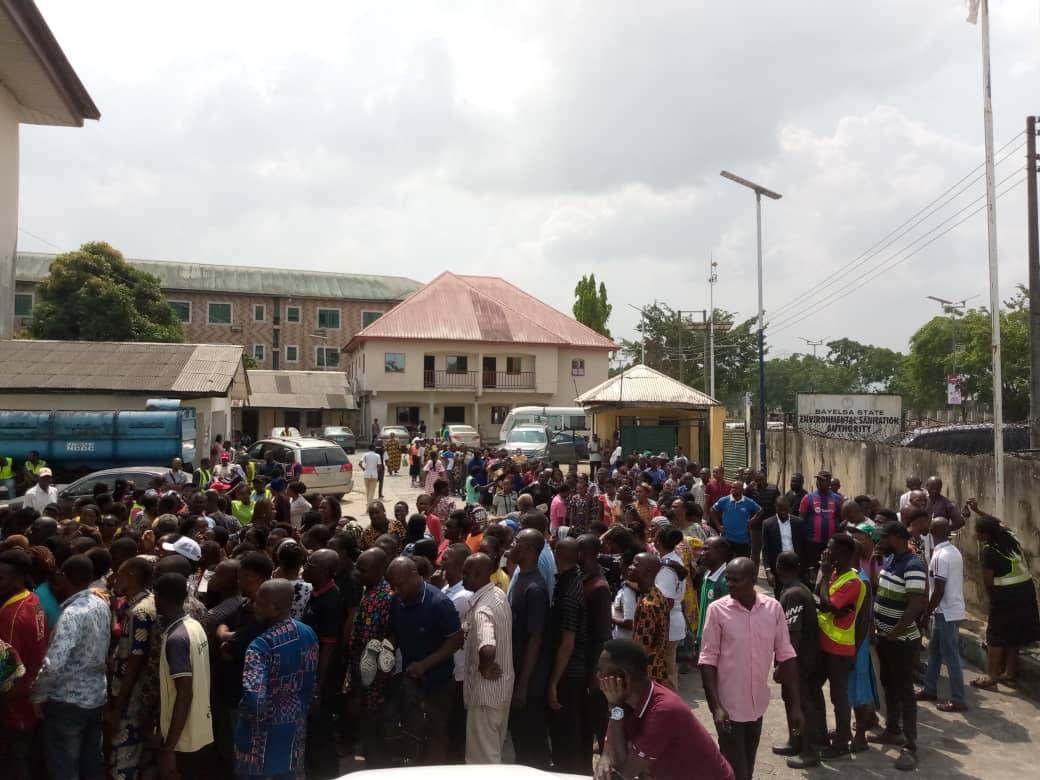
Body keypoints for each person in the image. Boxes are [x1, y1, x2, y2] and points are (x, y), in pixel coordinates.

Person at [699, 557, 803, 780]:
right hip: (729, 708)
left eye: (735, 580)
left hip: (758, 705)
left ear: (753, 581)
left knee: (748, 764)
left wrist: (795, 706)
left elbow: (787, 655)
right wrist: (715, 706)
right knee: (737, 771)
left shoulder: (772, 609)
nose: (729, 585)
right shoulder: (717, 611)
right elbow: (707, 660)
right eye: (728, 579)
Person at [595, 637, 734, 780]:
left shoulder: (664, 710)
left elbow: (625, 772)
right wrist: (605, 756)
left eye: (601, 672)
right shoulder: (626, 698)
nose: (597, 677)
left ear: (623, 677)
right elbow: (615, 755)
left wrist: (614, 707)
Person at [31, 554, 110, 780]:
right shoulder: (100, 604)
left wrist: (38, 695)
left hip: (67, 702)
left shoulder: (72, 614)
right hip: (95, 697)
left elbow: (54, 663)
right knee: (90, 762)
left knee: (64, 767)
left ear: (64, 577)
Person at [234, 579, 318, 780]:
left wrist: (253, 732)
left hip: (260, 742)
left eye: (261, 603)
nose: (255, 606)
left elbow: (255, 696)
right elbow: (309, 684)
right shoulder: (308, 633)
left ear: (276, 607)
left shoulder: (260, 646)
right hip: (293, 733)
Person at [386, 556, 463, 765]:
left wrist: (425, 664)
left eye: (400, 585)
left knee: (436, 733)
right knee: (412, 733)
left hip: (437, 682)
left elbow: (455, 641)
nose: (396, 590)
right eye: (393, 586)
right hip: (409, 681)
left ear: (414, 576)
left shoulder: (439, 603)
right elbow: (394, 633)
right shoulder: (397, 601)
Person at [871, 521, 926, 771]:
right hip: (885, 637)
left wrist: (895, 630)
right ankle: (892, 729)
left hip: (901, 640)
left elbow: (917, 604)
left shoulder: (913, 565)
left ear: (896, 537)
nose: (879, 543)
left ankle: (910, 745)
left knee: (904, 691)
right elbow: (880, 590)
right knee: (888, 684)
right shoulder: (891, 560)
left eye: (883, 538)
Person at [970, 507, 1040, 690]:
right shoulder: (1011, 537)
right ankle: (1009, 674)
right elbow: (997, 522)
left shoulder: (989, 552)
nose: (976, 535)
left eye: (978, 532)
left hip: (1005, 595)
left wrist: (991, 600)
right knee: (1014, 634)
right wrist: (977, 510)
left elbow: (988, 581)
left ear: (986, 534)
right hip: (1026, 592)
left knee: (996, 636)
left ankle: (991, 677)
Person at [812, 532, 866, 759]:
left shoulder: (853, 582)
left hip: (839, 647)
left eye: (830, 548)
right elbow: (821, 600)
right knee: (816, 687)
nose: (826, 551)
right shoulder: (835, 574)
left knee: (838, 696)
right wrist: (824, 581)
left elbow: (827, 603)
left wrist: (824, 579)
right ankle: (835, 732)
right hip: (825, 642)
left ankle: (842, 741)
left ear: (843, 553)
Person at [154, 572, 214, 777]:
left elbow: (184, 694)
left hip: (183, 738)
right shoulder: (194, 626)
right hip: (199, 729)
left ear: (159, 598)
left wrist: (168, 749)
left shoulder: (176, 639)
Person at [107, 556, 160, 780]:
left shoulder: (139, 612)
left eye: (118, 574)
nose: (112, 579)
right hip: (135, 697)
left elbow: (135, 662)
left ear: (132, 575)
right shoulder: (146, 602)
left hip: (130, 699)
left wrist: (119, 707)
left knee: (124, 762)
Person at [460, 553, 514, 764]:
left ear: (479, 573)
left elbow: (488, 646)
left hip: (485, 696)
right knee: (492, 754)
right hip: (500, 692)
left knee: (482, 763)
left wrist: (485, 665)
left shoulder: (483, 609)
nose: (462, 576)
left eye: (466, 572)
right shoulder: (497, 594)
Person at [0, 550, 48, 780]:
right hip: (33, 698)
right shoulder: (33, 598)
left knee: (15, 766)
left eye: (2, 578)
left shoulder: (9, 616)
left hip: (14, 710)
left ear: (18, 579)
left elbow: (8, 675)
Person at [770, 551, 820, 769]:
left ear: (778, 570)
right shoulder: (796, 590)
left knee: (802, 704)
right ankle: (795, 741)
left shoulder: (793, 594)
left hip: (800, 662)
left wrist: (783, 665)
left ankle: (809, 751)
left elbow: (793, 635)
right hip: (799, 661)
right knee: (791, 701)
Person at [508, 528, 551, 769]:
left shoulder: (534, 588)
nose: (511, 546)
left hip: (530, 681)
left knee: (531, 743)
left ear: (528, 550)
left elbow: (536, 638)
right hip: (518, 674)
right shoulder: (521, 579)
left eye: (516, 542)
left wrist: (523, 686)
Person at [918, 517, 968, 712]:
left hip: (945, 612)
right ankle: (930, 689)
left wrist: (926, 613)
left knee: (951, 656)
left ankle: (958, 699)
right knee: (935, 652)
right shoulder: (953, 551)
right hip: (950, 609)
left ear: (932, 531)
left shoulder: (940, 557)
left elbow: (939, 590)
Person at [301, 549, 343, 779]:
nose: (305, 567)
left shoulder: (331, 600)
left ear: (325, 571)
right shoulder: (316, 594)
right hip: (312, 674)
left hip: (322, 678)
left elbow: (328, 646)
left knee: (321, 730)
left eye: (310, 564)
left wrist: (318, 687)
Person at [546, 537, 587, 773]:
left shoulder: (569, 592)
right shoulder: (567, 582)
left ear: (557, 554)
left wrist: (554, 682)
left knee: (566, 732)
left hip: (569, 673)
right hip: (568, 670)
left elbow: (567, 642)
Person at [577, 533, 613, 765]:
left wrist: (596, 674)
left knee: (600, 721)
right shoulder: (585, 579)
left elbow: (603, 635)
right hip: (582, 661)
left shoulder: (599, 587)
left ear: (586, 554)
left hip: (593, 665)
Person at [440, 543, 473, 763]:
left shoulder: (462, 597)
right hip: (449, 670)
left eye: (447, 559)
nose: (442, 561)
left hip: (459, 673)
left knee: (456, 731)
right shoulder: (447, 589)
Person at [629, 552, 669, 686]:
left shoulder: (648, 604)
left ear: (647, 571)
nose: (630, 567)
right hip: (658, 666)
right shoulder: (658, 595)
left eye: (635, 565)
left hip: (647, 673)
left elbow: (641, 647)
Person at [798, 470, 844, 574]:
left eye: (822, 480)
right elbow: (801, 519)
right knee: (812, 570)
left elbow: (841, 519)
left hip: (831, 543)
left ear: (829, 482)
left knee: (830, 570)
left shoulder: (837, 499)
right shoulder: (808, 498)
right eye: (817, 480)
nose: (818, 482)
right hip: (812, 542)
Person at [762, 497, 807, 593]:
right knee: (780, 595)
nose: (783, 512)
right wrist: (768, 572)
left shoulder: (798, 523)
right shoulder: (768, 524)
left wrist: (808, 568)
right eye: (780, 509)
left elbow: (805, 546)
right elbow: (765, 550)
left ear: (790, 508)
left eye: (786, 509)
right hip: (779, 567)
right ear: (775, 508)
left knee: (796, 594)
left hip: (795, 566)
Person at [696, 536, 731, 647]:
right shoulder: (707, 574)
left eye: (706, 549)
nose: (702, 553)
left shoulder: (724, 582)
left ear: (719, 552)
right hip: (703, 639)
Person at [710, 481, 761, 559]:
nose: (733, 489)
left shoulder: (748, 502)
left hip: (742, 540)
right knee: (726, 562)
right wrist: (718, 526)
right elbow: (712, 510)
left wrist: (752, 521)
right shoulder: (724, 500)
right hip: (727, 539)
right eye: (732, 487)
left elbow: (760, 511)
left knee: (742, 563)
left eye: (736, 488)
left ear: (742, 490)